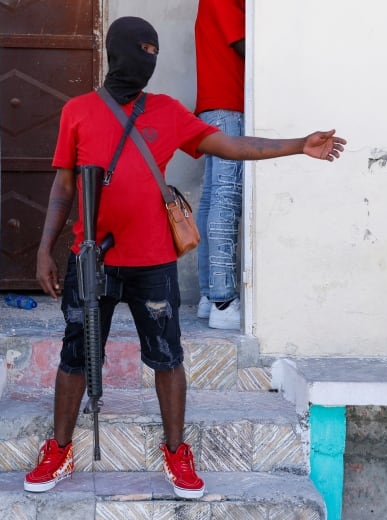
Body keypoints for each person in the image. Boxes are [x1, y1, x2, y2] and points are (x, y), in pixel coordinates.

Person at [24, 16, 345, 499]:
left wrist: (298, 146)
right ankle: (61, 448)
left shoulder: (168, 112)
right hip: (90, 258)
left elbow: (233, 145)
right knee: (75, 355)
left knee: (167, 357)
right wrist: (44, 251)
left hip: (153, 262)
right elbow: (64, 185)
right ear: (119, 53)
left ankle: (176, 452)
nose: (148, 61)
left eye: (155, 52)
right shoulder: (79, 111)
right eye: (142, 51)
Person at [194, 0, 247, 329]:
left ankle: (209, 294)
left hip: (217, 105)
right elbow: (245, 45)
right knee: (226, 198)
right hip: (228, 104)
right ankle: (224, 302)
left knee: (214, 197)